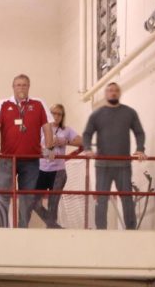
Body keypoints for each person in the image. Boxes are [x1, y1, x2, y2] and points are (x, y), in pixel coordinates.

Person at [0, 74, 54, 228]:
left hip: (31, 160)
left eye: (24, 85)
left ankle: (23, 226)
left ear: (29, 87)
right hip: (7, 159)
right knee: (2, 193)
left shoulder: (38, 104)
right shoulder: (3, 104)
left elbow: (47, 127)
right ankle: (2, 226)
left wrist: (49, 147)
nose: (21, 87)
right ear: (13, 87)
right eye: (18, 85)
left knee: (27, 196)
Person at [82, 82, 146, 230]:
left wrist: (140, 149)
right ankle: (101, 230)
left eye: (116, 90)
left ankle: (131, 230)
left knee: (127, 199)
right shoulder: (97, 114)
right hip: (103, 165)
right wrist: (87, 148)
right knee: (101, 200)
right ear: (105, 94)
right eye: (110, 90)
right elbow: (87, 134)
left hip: (123, 165)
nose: (113, 93)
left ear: (120, 93)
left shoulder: (129, 113)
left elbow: (139, 132)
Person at [36, 104, 82, 228]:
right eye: (53, 113)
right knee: (34, 202)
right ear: (49, 114)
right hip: (41, 170)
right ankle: (54, 226)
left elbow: (82, 141)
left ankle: (52, 230)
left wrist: (65, 141)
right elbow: (35, 146)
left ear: (62, 116)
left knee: (53, 205)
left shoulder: (67, 130)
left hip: (58, 172)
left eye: (59, 114)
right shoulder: (41, 128)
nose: (56, 116)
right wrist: (47, 152)